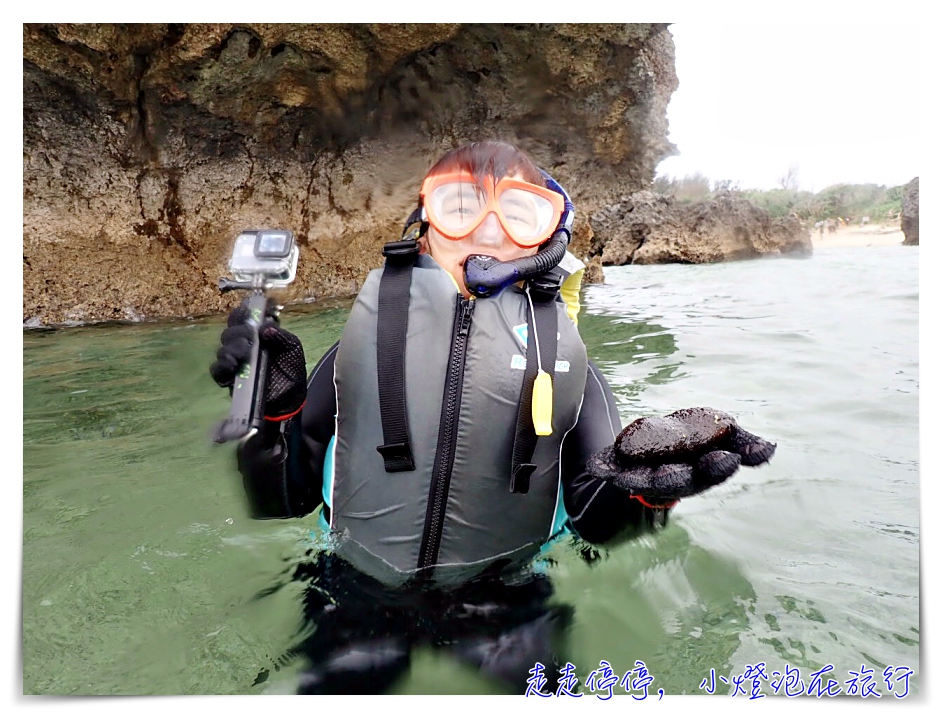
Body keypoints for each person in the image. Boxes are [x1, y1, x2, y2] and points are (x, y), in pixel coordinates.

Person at [210, 141, 766, 694]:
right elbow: (282, 501)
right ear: (424, 226)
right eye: (460, 207)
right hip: (355, 588)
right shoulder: (362, 346)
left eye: (520, 213)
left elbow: (596, 523)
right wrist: (269, 415)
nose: (489, 230)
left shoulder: (567, 362)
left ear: (547, 240)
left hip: (506, 598)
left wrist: (643, 492)